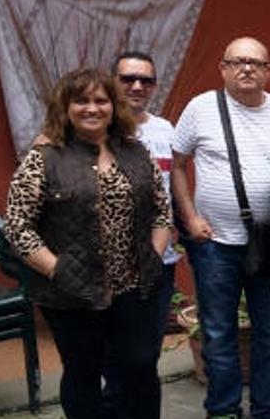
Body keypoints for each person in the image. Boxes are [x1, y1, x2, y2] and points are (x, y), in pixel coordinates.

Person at [5, 68, 171, 419]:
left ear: (114, 106)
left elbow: (161, 210)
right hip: (71, 293)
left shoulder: (136, 152)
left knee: (141, 368)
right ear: (64, 108)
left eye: (101, 100)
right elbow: (19, 227)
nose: (91, 108)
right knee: (83, 373)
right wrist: (59, 270)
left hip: (133, 288)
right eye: (81, 100)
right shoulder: (43, 158)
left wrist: (154, 255)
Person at [171, 37, 270, 419]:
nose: (246, 68)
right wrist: (189, 217)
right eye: (237, 61)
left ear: (269, 71)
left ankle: (267, 410)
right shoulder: (201, 108)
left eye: (256, 63)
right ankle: (223, 410)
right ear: (222, 68)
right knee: (219, 333)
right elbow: (177, 164)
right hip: (215, 244)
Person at [99, 51, 181, 418]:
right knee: (112, 357)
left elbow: (172, 188)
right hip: (105, 267)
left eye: (145, 80)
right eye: (127, 78)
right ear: (112, 81)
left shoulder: (165, 130)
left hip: (157, 263)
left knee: (146, 354)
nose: (136, 86)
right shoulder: (91, 129)